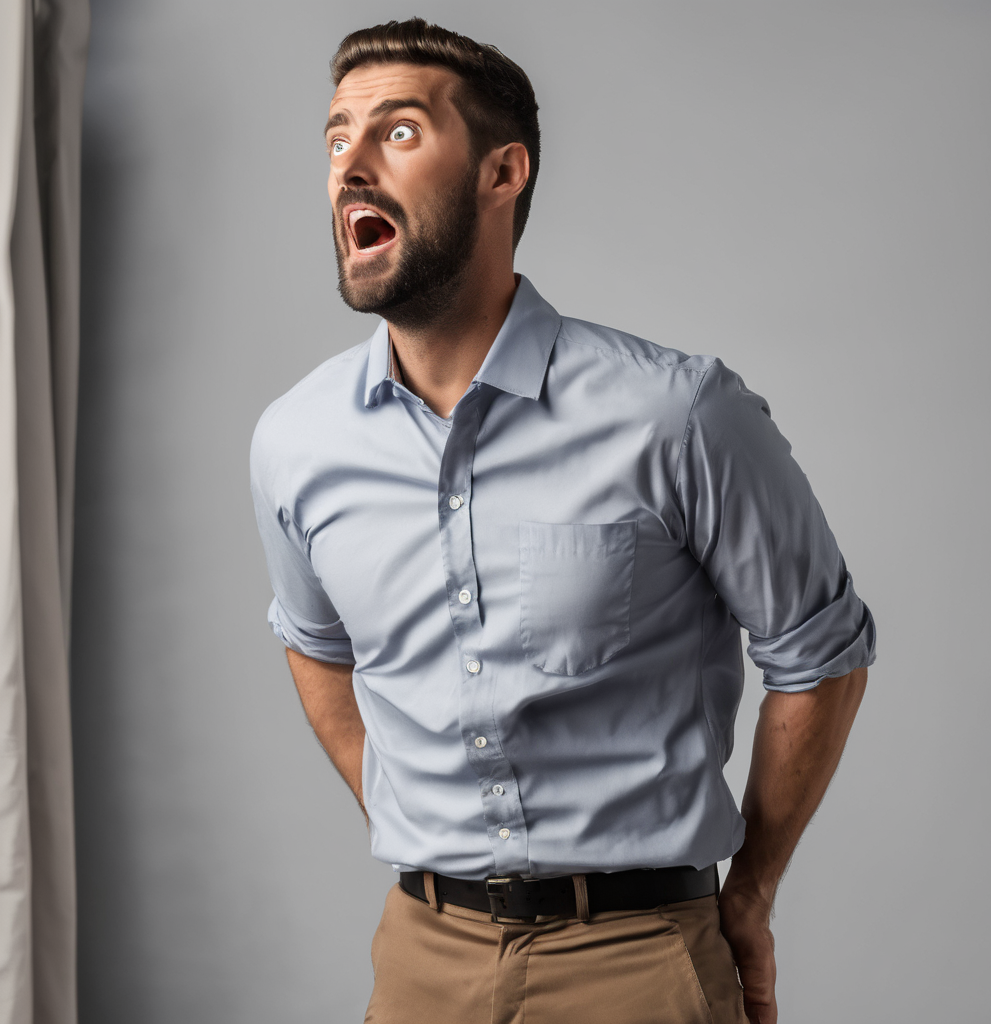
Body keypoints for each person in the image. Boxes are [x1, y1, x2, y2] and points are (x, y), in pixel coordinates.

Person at [250, 18, 876, 1024]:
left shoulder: (678, 413)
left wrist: (751, 892)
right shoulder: (295, 441)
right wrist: (411, 807)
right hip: (421, 960)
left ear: (502, 172)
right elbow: (314, 645)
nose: (350, 165)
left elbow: (821, 649)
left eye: (398, 132)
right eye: (336, 138)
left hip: (640, 961)